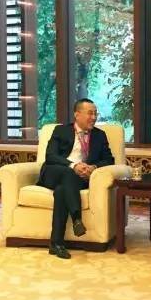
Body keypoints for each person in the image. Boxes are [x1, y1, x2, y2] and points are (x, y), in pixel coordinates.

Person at [37, 98, 115, 259]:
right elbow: (50, 156)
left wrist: (93, 167)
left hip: (80, 178)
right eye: (90, 113)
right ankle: (76, 218)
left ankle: (56, 244)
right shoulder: (61, 130)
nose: (94, 117)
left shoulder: (100, 135)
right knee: (68, 173)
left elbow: (109, 160)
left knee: (61, 191)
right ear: (77, 114)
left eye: (95, 114)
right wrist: (73, 166)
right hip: (55, 172)